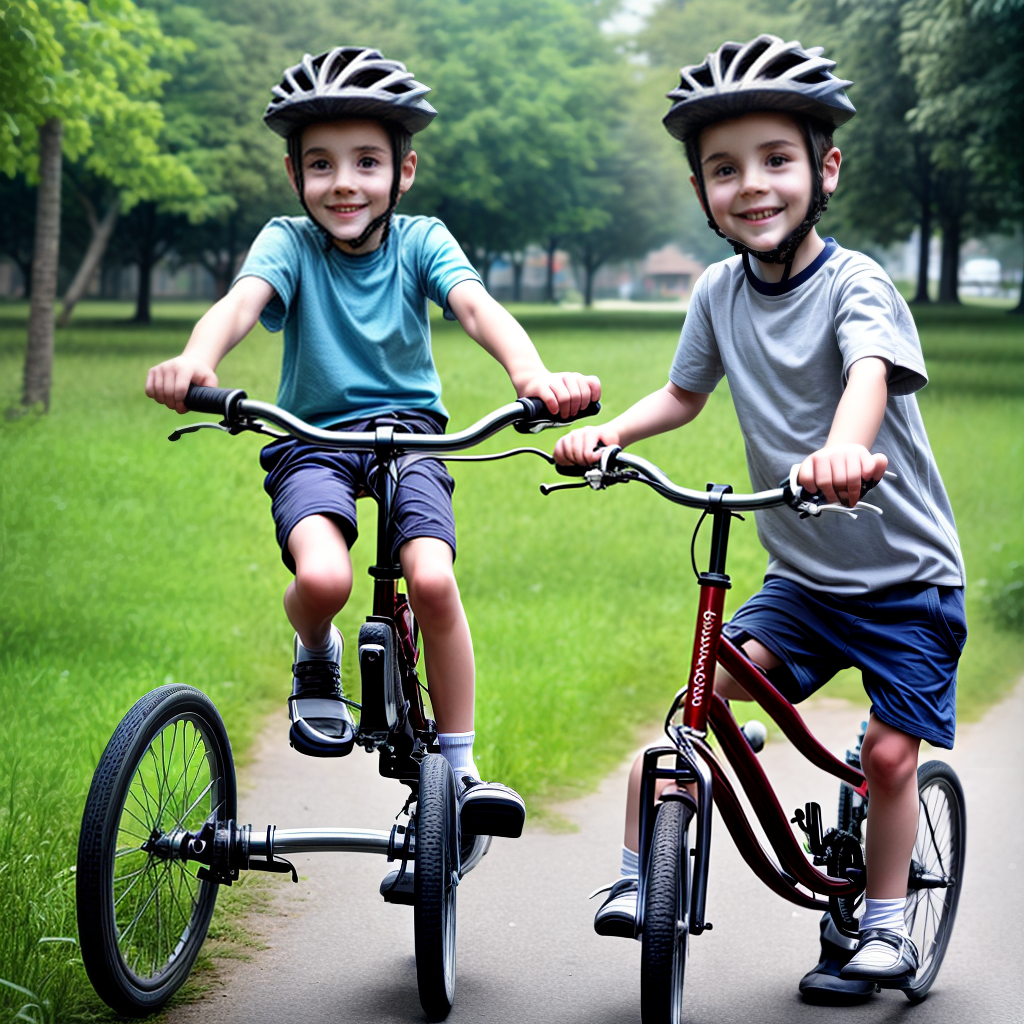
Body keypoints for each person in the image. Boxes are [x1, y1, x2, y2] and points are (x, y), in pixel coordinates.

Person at [554, 34, 965, 1003]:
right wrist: (610, 434)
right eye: (724, 169)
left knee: (888, 754)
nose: (752, 186)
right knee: (693, 709)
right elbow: (683, 394)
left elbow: (868, 372)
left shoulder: (856, 284)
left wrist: (843, 450)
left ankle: (885, 926)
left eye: (776, 160)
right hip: (804, 583)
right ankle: (639, 878)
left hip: (905, 583)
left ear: (825, 169)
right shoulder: (716, 292)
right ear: (702, 190)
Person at [146, 46, 600, 841]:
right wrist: (197, 359)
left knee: (432, 579)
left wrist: (531, 375)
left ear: (404, 171)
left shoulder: (422, 241)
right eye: (321, 164)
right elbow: (240, 302)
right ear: (295, 175)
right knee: (323, 578)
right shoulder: (288, 243)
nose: (344, 182)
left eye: (366, 161)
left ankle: (459, 766)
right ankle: (314, 647)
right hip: (312, 439)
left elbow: (476, 307)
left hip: (411, 437)